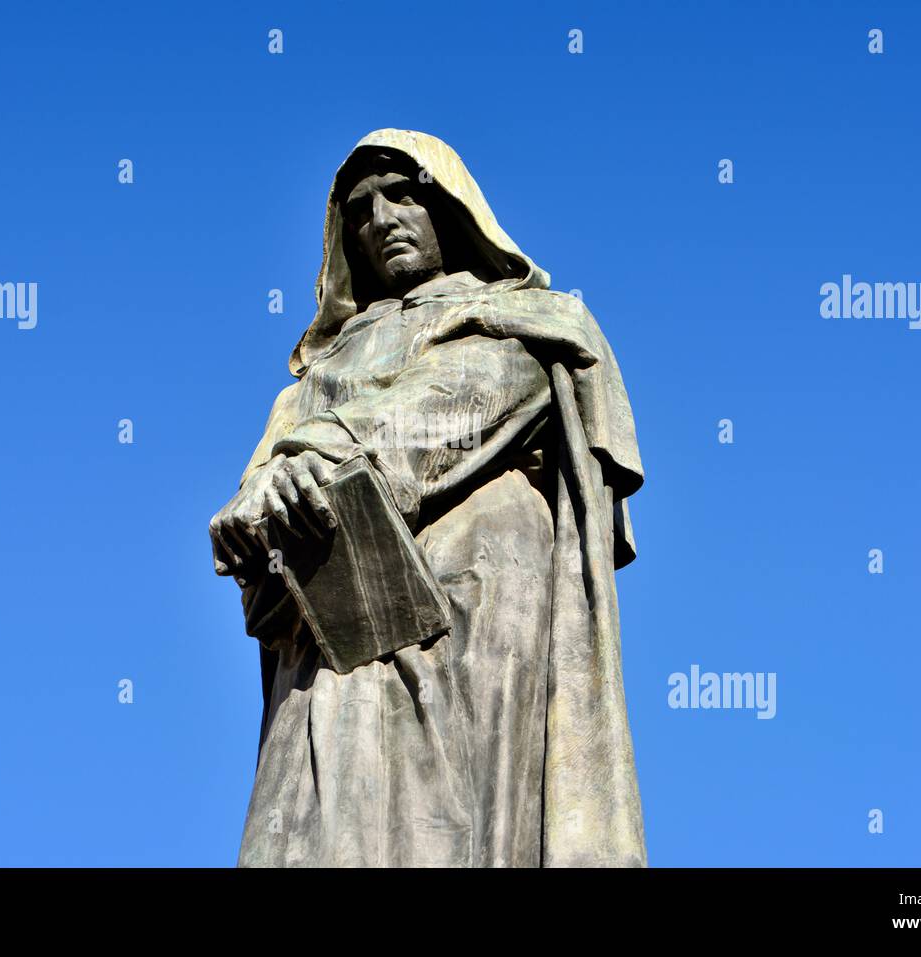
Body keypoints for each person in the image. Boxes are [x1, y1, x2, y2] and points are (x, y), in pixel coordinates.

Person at [210, 129, 647, 867]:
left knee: (458, 827)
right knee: (306, 826)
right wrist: (254, 510)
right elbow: (257, 502)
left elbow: (454, 411)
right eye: (359, 209)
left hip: (477, 603)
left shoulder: (531, 325)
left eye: (402, 194)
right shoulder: (317, 376)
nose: (381, 219)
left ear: (450, 205)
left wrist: (314, 458)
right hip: (335, 639)